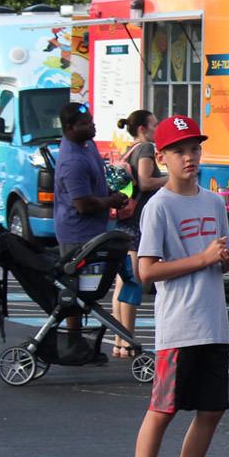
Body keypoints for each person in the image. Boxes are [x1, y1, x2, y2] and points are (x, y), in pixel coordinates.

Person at [119, 115, 229, 457]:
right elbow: (147, 272)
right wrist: (204, 259)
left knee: (211, 410)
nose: (190, 157)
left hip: (212, 322)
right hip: (178, 326)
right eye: (180, 151)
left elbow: (218, 258)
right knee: (162, 410)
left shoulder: (212, 202)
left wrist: (227, 259)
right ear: (161, 157)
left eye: (194, 148)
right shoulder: (158, 208)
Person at [54, 102, 128, 361]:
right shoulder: (72, 161)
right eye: (85, 124)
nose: (92, 126)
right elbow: (82, 204)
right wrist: (111, 202)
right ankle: (74, 341)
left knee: (88, 290)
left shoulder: (88, 146)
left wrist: (111, 195)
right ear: (69, 128)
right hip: (77, 232)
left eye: (91, 121)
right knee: (76, 290)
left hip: (95, 228)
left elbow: (98, 186)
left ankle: (81, 342)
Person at [111, 109, 168, 358]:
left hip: (124, 221)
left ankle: (118, 342)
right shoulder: (145, 149)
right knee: (133, 282)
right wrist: (170, 178)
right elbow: (145, 182)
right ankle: (128, 341)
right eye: (154, 125)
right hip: (137, 222)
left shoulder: (129, 149)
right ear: (143, 129)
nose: (157, 129)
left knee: (121, 284)